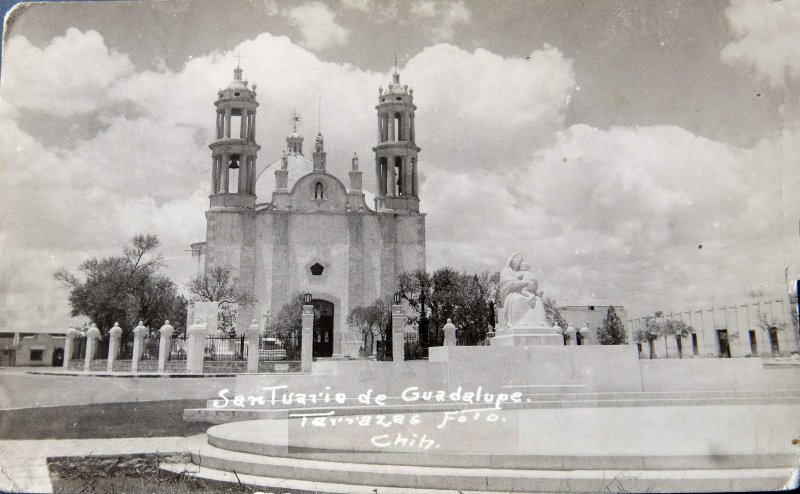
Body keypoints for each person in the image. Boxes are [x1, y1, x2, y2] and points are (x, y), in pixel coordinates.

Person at [498, 253, 547, 328]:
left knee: (538, 300)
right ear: (511, 260)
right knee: (517, 299)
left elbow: (532, 283)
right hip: (511, 294)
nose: (519, 260)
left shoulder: (522, 272)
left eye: (521, 259)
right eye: (517, 258)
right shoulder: (505, 272)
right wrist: (525, 282)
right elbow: (508, 285)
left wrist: (533, 283)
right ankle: (517, 322)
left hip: (525, 293)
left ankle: (541, 322)